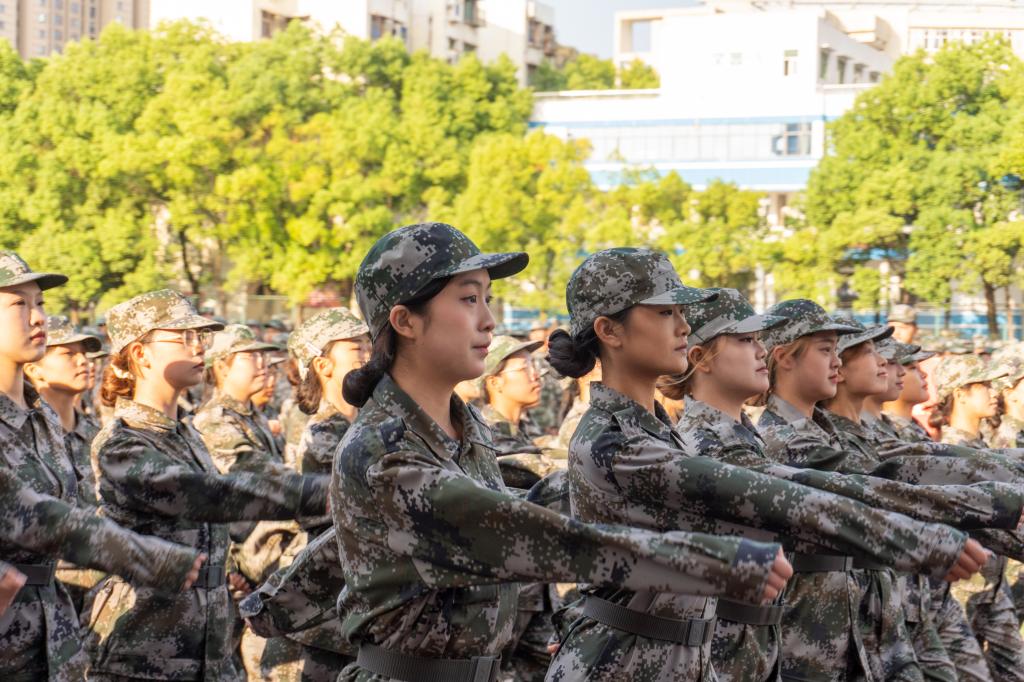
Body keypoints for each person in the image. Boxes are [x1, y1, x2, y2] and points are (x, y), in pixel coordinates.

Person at [330, 224, 791, 682]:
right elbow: (515, 532)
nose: (489, 320)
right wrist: (710, 561)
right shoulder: (382, 449)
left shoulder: (464, 429)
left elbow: (518, 515)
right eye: (469, 299)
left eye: (487, 299)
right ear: (405, 321)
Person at [544, 252, 977, 682]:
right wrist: (912, 537)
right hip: (620, 664)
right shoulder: (616, 440)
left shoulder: (655, 430)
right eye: (664, 313)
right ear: (609, 330)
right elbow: (778, 496)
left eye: (681, 312)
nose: (682, 326)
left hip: (674, 658)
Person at [672, 288, 1000, 682]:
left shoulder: (748, 435)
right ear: (701, 358)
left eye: (759, 339)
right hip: (777, 642)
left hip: (816, 630)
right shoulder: (716, 442)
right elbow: (832, 496)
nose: (760, 350)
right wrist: (926, 537)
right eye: (745, 340)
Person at [86, 289, 331, 681]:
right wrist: (321, 493)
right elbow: (207, 495)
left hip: (209, 652)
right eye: (182, 337)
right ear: (141, 354)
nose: (198, 346)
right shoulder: (121, 443)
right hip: (143, 653)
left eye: (199, 336)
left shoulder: (186, 436)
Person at [0, 252, 204, 680]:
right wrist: (147, 557)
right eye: (18, 304)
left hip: (53, 637)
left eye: (39, 303)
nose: (38, 317)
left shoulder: (42, 417)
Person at [930, 354, 1024, 682]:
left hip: (993, 583)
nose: (992, 392)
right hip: (965, 587)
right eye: (982, 385)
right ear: (961, 393)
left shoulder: (979, 445)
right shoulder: (949, 452)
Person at [480, 335, 564, 680]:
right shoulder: (488, 436)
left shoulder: (523, 430)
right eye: (523, 368)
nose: (535, 375)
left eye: (535, 366)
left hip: (534, 585)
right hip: (509, 587)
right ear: (495, 382)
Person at [23, 315, 106, 613]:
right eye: (68, 354)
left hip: (103, 588)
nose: (83, 361)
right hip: (47, 593)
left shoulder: (99, 435)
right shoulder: (22, 436)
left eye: (84, 354)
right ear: (34, 370)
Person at [290, 308, 369, 482]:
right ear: (323, 365)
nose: (369, 357)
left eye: (370, 347)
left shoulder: (369, 416)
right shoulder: (322, 433)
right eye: (358, 349)